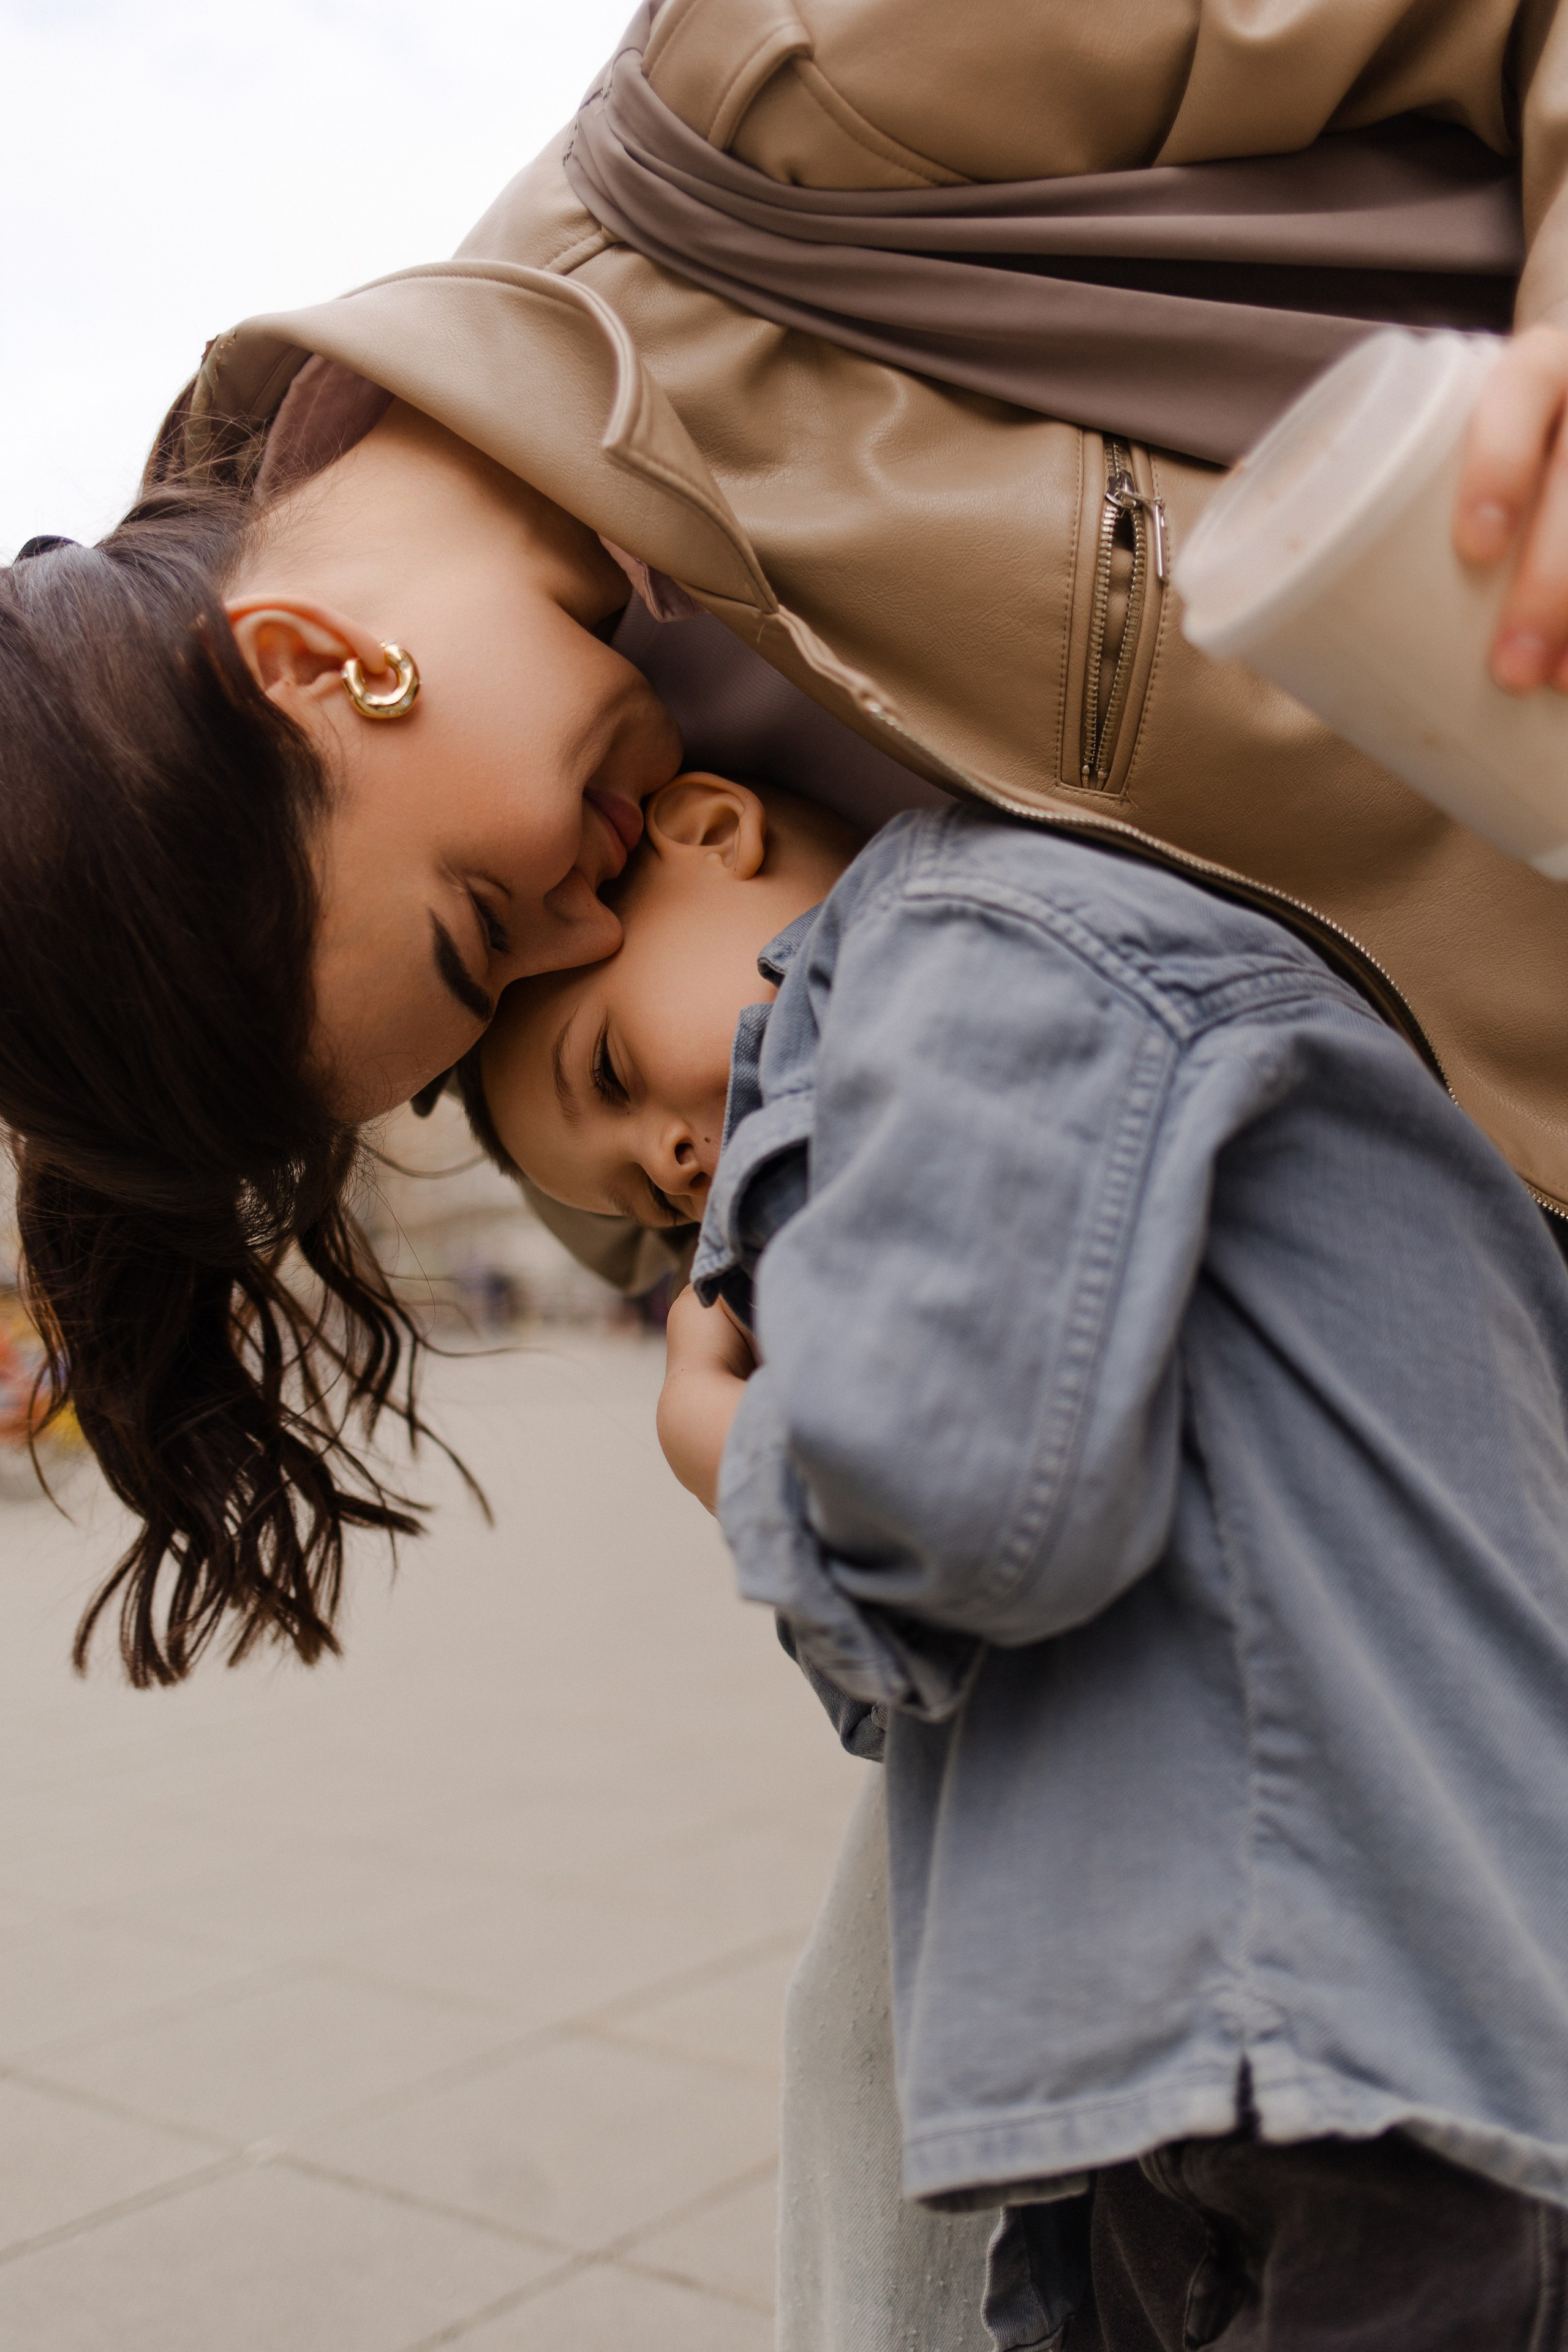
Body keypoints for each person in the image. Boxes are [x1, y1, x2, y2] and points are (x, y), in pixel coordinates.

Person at [469, 765, 1568, 2346]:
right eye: (641, 1184)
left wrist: (727, 1451)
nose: (674, 1161)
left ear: (712, 830)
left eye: (615, 1067)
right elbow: (928, 1676)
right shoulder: (893, 1129)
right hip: (1211, 2075)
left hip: (1363, 2062)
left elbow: (965, 1514)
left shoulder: (957, 931)